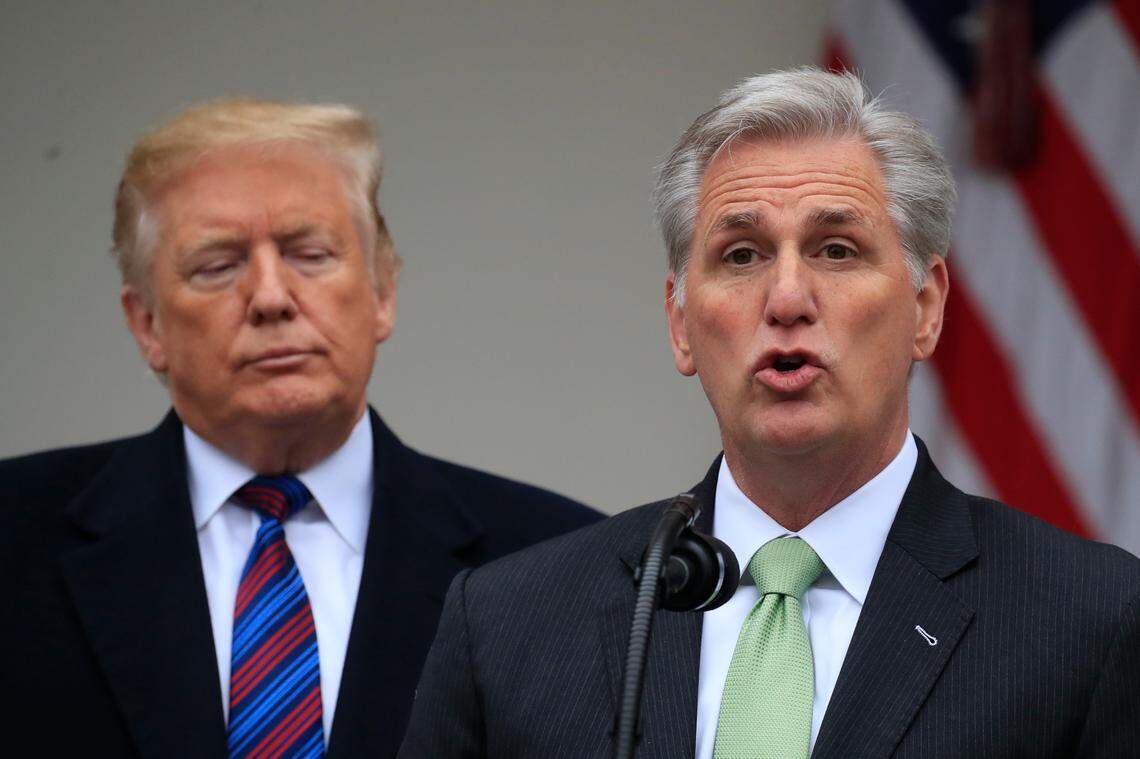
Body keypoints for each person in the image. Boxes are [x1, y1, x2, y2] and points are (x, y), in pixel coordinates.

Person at [399, 68, 1140, 758]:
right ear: (681, 323)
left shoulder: (1093, 622)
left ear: (925, 308)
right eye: (743, 254)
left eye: (837, 249)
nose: (786, 299)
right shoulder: (506, 624)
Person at [0, 99, 600, 758]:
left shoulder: (562, 563)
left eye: (310, 254)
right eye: (217, 265)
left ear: (382, 291)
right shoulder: (15, 534)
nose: (270, 296)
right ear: (146, 323)